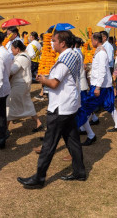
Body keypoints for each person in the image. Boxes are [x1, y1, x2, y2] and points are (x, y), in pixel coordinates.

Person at [17, 30, 86, 189]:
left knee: (49, 143)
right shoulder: (74, 54)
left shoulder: (64, 59)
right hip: (70, 104)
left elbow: (54, 83)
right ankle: (79, 171)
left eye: (54, 41)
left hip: (61, 106)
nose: (51, 43)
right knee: (72, 140)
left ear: (62, 43)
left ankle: (39, 178)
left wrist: (43, 79)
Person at [77, 32, 117, 145]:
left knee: (87, 107)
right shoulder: (99, 51)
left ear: (96, 41)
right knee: (109, 104)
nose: (91, 42)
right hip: (104, 84)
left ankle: (89, 133)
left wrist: (97, 87)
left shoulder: (101, 53)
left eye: (92, 40)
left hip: (101, 85)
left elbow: (102, 70)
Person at [7, 40, 43, 132]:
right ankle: (38, 122)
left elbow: (12, 71)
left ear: (17, 49)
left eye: (12, 49)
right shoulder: (25, 55)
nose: (11, 51)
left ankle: (5, 129)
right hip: (24, 83)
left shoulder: (20, 58)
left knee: (10, 104)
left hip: (19, 84)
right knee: (27, 103)